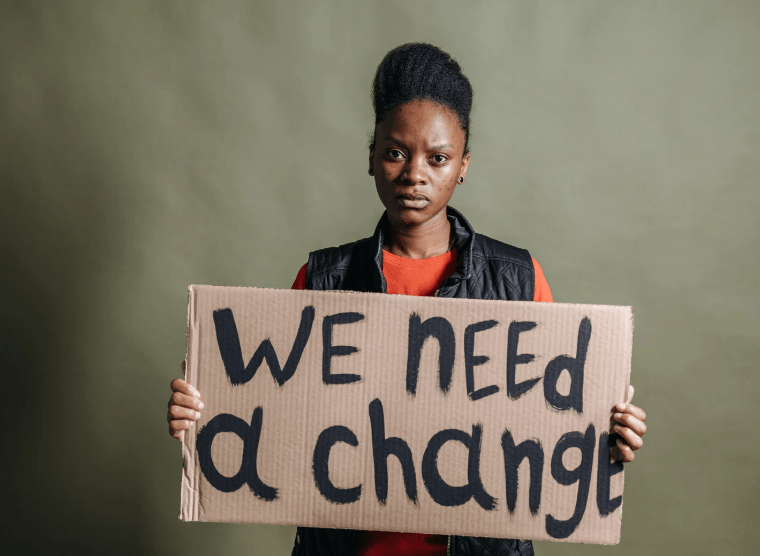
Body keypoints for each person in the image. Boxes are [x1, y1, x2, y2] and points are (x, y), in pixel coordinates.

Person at [167, 43, 648, 556]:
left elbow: (550, 427)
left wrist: (607, 433)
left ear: (463, 164)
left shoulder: (517, 280)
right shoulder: (323, 279)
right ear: (372, 157)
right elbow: (277, 418)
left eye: (438, 158)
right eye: (396, 152)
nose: (415, 174)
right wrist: (207, 412)